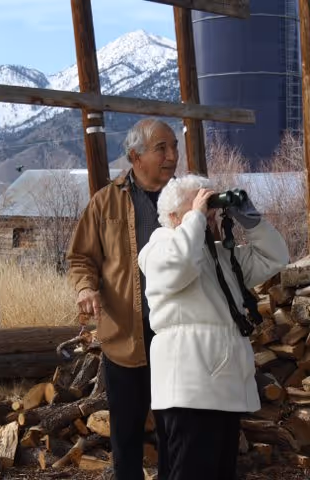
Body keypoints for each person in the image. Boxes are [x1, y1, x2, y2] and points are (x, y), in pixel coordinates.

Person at [138, 174, 290, 480]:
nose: (206, 214)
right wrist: (195, 216)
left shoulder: (220, 255)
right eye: (198, 206)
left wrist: (250, 219)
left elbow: (276, 257)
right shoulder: (158, 247)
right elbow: (178, 267)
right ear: (173, 216)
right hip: (190, 388)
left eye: (209, 206)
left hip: (222, 385)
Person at [66, 118, 179, 480]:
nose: (172, 156)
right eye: (162, 148)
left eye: (174, 147)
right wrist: (86, 288)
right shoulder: (105, 202)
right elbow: (81, 257)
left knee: (175, 429)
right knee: (127, 432)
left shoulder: (185, 199)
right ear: (135, 155)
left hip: (176, 335)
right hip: (125, 335)